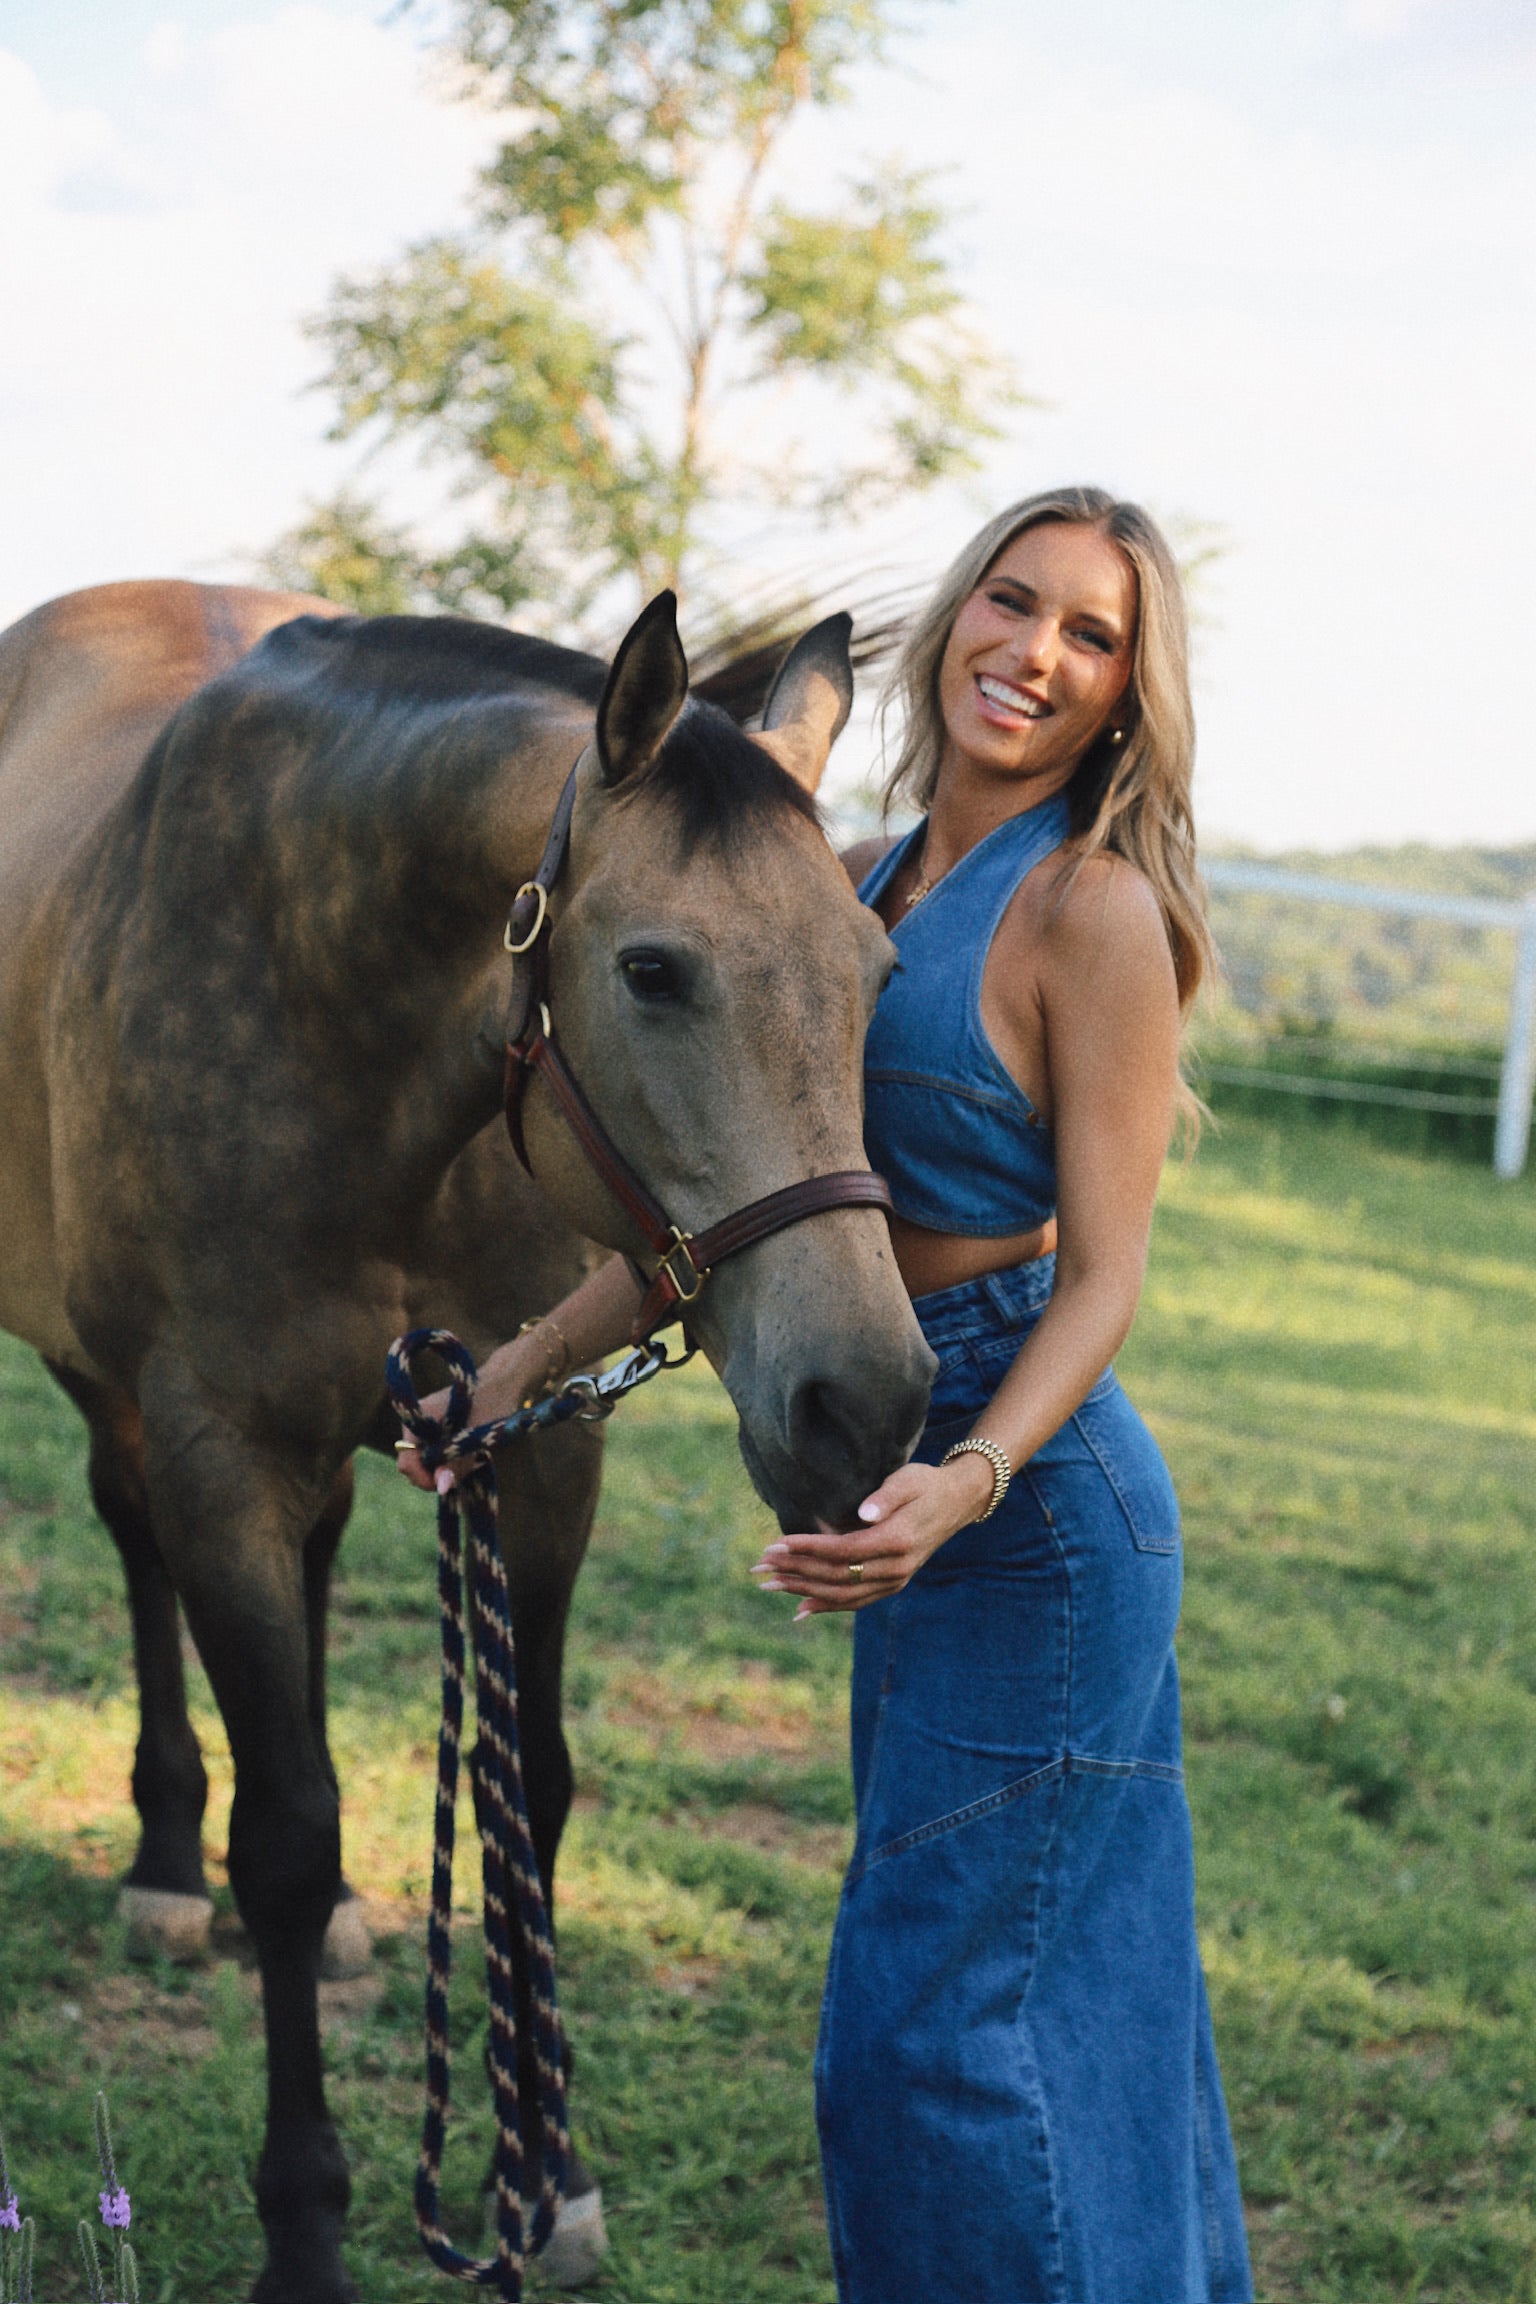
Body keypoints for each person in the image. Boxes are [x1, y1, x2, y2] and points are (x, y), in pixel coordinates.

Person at [401, 484, 1252, 2304]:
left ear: (1126, 689)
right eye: (1012, 604)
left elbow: (1103, 1276)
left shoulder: (1090, 912)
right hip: (896, 1462)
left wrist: (974, 1479)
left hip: (1029, 1508)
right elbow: (754, 1209)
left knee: (929, 2039)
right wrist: (519, 1372)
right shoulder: (852, 890)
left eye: (1092, 635)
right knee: (1054, 1993)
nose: (1034, 653)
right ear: (953, 618)